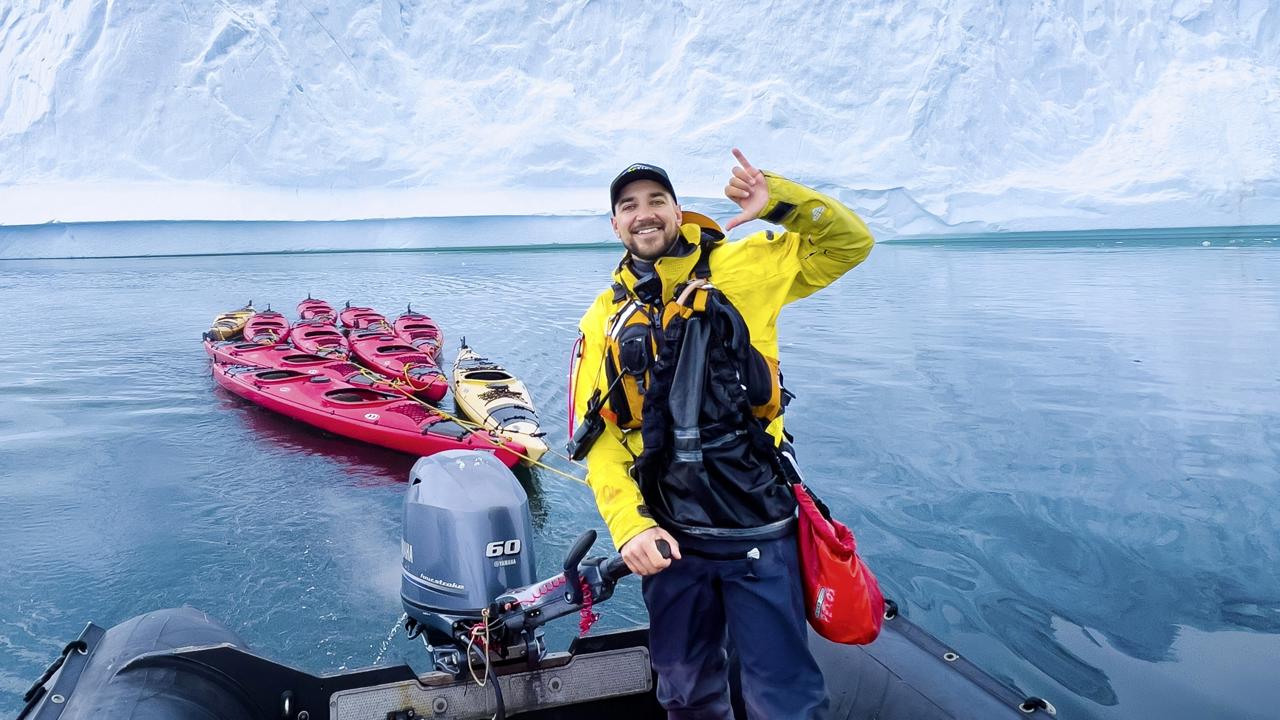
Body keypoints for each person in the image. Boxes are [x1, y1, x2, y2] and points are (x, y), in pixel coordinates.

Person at [570, 149, 874, 719]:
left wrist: (778, 202)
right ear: (615, 225)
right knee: (684, 690)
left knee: (782, 698)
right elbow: (601, 441)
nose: (644, 213)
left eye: (657, 200)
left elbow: (850, 244)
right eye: (629, 205)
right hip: (671, 536)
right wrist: (630, 527)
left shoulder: (747, 266)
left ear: (678, 211)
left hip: (760, 523)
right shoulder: (603, 318)